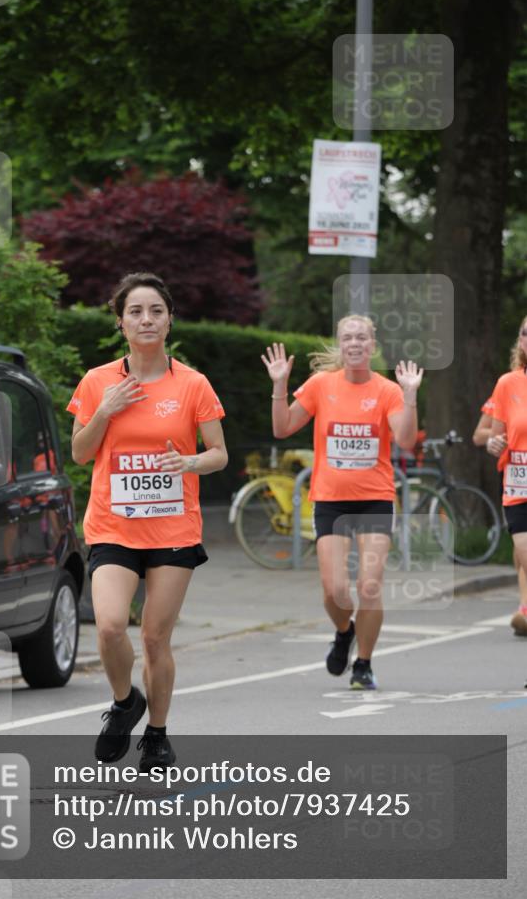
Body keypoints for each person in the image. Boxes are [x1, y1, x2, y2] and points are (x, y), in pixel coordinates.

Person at [68, 272, 227, 770]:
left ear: (169, 320)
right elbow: (79, 453)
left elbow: (219, 454)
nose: (146, 319)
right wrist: (105, 412)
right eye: (136, 311)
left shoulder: (192, 384)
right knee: (111, 626)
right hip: (113, 525)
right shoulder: (98, 382)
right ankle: (124, 704)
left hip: (173, 528)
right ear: (121, 323)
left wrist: (189, 463)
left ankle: (156, 733)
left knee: (156, 637)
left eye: (156, 310)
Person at [262, 315, 423, 690]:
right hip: (332, 501)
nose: (354, 343)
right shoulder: (321, 385)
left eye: (361, 338)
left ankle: (363, 663)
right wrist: (280, 385)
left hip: (374, 500)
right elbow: (282, 427)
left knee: (369, 586)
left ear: (372, 345)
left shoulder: (387, 391)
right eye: (348, 337)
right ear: (340, 343)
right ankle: (343, 631)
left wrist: (411, 396)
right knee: (335, 590)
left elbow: (405, 439)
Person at [489, 316, 527, 666]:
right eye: (526, 333)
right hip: (518, 483)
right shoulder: (507, 384)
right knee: (523, 551)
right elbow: (494, 435)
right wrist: (494, 443)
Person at [472, 393, 527, 636]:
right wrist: (496, 441)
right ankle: (525, 607)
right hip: (517, 478)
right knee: (522, 546)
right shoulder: (508, 387)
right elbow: (480, 435)